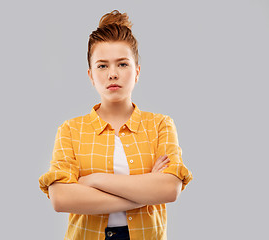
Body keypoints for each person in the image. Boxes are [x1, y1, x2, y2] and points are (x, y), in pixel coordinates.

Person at [39, 10, 193, 240]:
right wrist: (146, 192)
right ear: (91, 75)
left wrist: (94, 180)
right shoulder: (70, 130)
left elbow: (170, 189)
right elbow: (61, 198)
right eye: (102, 66)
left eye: (122, 64)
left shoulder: (160, 125)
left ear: (137, 71)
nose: (112, 74)